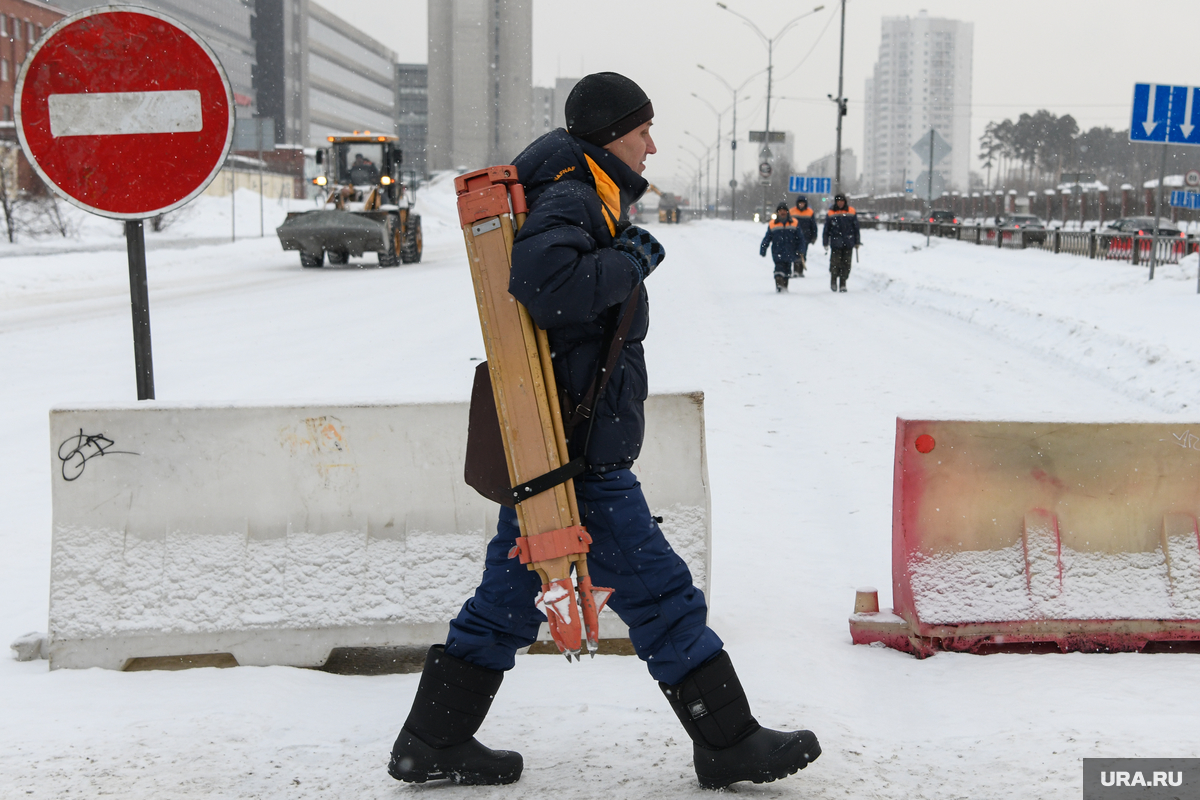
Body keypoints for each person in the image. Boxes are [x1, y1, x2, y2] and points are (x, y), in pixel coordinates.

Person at [388, 72, 820, 790]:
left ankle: (431, 741)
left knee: (506, 603)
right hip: (578, 456)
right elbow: (544, 283)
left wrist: (621, 255)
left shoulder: (579, 188)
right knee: (660, 595)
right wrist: (630, 258)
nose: (652, 144)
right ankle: (728, 742)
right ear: (610, 132)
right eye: (642, 130)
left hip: (558, 445)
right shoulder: (573, 193)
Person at [760, 202, 806, 293]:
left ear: (787, 212)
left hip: (790, 251)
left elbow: (800, 238)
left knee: (787, 271)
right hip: (777, 252)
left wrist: (801, 249)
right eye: (780, 211)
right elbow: (767, 238)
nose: (782, 212)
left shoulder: (794, 223)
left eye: (784, 210)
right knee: (778, 269)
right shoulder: (773, 224)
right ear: (777, 212)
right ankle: (779, 285)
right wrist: (763, 248)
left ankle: (784, 286)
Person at [822, 194, 860, 293]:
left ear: (845, 201)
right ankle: (833, 280)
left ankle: (843, 283)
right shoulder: (831, 212)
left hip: (848, 242)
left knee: (846, 264)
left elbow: (856, 228)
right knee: (835, 263)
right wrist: (825, 241)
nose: (840, 202)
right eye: (838, 201)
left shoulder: (851, 211)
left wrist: (857, 241)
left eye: (842, 200)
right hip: (836, 243)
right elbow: (827, 229)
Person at [790, 195, 818, 277]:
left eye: (802, 203)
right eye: (800, 203)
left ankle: (800, 270)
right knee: (795, 253)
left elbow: (813, 226)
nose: (801, 205)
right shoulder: (792, 211)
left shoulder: (810, 212)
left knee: (803, 253)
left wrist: (814, 236)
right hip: (794, 237)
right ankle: (795, 270)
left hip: (806, 237)